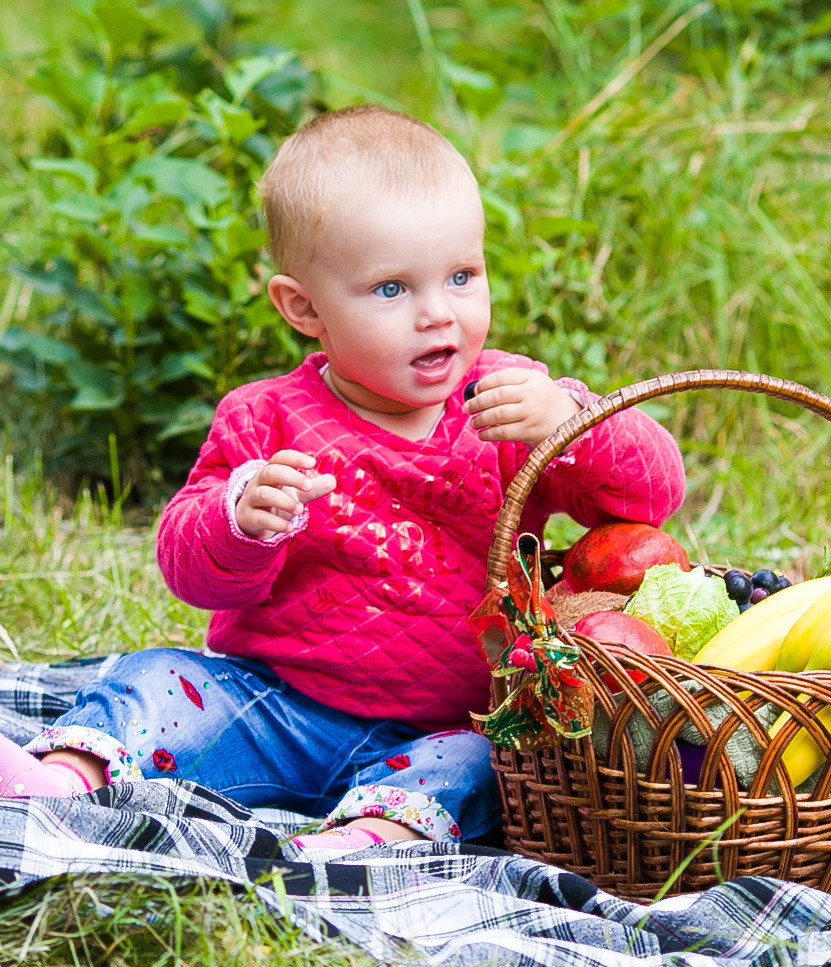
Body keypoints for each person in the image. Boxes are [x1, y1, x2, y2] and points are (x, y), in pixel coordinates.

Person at [0, 106, 685, 852]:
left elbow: (652, 498)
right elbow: (193, 574)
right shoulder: (266, 420)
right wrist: (239, 520)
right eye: (391, 289)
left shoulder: (511, 404)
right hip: (273, 708)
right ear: (303, 307)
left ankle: (368, 835)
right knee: (159, 682)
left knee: (492, 762)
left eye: (461, 276)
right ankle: (63, 781)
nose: (436, 315)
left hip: (445, 723)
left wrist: (573, 421)